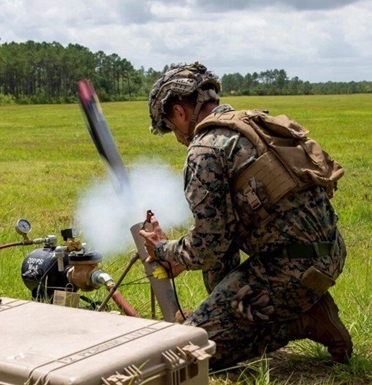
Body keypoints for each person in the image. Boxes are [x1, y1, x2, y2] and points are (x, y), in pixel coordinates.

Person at [138, 62, 353, 370]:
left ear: (180, 112)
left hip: (291, 270)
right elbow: (220, 235)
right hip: (327, 255)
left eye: (171, 127)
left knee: (191, 353)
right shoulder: (251, 125)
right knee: (215, 295)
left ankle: (304, 320)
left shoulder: (205, 149)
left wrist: (163, 250)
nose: (177, 137)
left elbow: (208, 246)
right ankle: (240, 318)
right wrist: (184, 254)